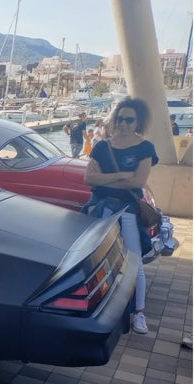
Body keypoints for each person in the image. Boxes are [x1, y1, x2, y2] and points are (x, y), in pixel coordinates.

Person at [83, 97, 158, 335]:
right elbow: (89, 179)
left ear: (138, 122)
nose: (123, 123)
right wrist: (123, 175)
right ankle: (98, 309)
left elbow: (139, 182)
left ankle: (139, 313)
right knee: (96, 261)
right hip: (101, 210)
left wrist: (107, 179)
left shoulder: (145, 148)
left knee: (135, 263)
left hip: (128, 213)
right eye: (120, 118)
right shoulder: (102, 146)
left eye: (129, 119)